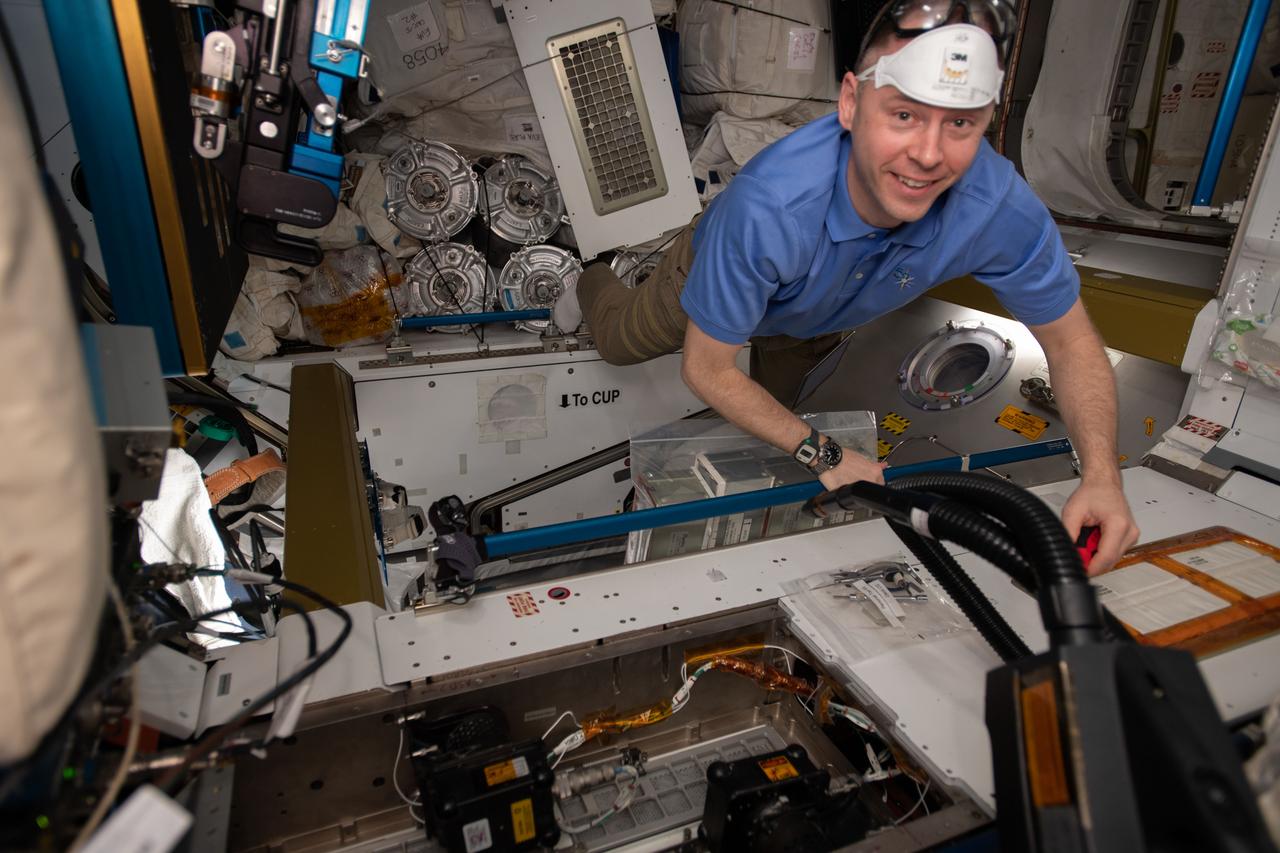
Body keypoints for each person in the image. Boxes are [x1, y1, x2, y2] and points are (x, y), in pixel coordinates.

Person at [552, 0, 1139, 573]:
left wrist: (1101, 478)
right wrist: (826, 454)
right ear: (852, 103)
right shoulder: (769, 207)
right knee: (619, 342)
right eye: (904, 115)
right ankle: (594, 274)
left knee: (776, 418)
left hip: (816, 318)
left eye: (959, 122)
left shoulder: (998, 207)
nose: (928, 156)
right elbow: (707, 369)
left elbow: (1072, 343)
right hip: (718, 267)